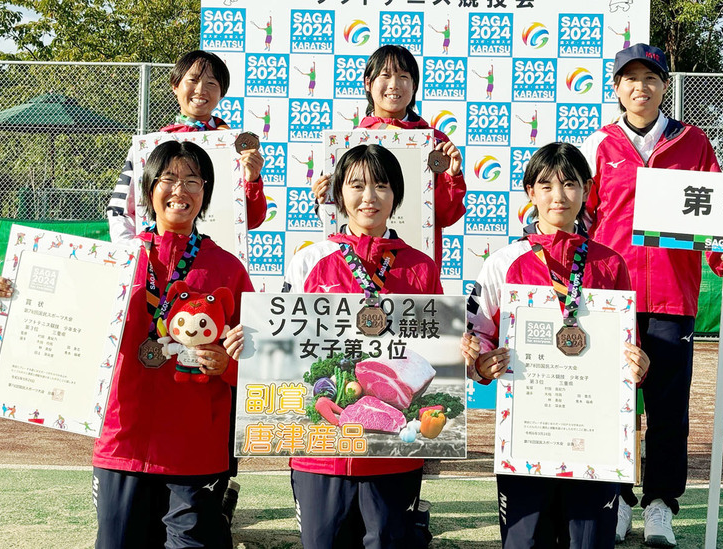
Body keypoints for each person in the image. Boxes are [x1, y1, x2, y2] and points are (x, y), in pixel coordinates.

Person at [0, 141, 254, 547]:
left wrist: (227, 364)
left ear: (205, 193)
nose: (179, 190)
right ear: (149, 188)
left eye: (192, 181)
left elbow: (256, 362)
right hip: (122, 442)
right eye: (168, 178)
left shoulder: (228, 268)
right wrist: (15, 296)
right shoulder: (112, 261)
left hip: (195, 450)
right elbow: (59, 320)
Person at [226, 144, 444, 548]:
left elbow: (432, 349)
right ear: (339, 194)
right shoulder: (310, 260)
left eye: (381, 185)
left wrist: (457, 350)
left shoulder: (420, 266)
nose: (369, 197)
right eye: (357, 185)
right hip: (319, 453)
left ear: (396, 194)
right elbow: (285, 345)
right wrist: (250, 341)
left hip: (392, 456)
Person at [579, 43, 723, 547]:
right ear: (615, 88)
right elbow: (582, 220)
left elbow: (717, 214)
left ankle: (659, 506)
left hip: (674, 297)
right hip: (611, 299)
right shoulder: (598, 146)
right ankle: (614, 501)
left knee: (669, 411)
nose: (640, 88)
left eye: (650, 78)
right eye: (629, 79)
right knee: (612, 404)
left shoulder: (693, 143)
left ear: (665, 85)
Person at [464, 142, 650, 549]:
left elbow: (627, 348)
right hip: (526, 436)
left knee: (588, 543)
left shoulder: (609, 263)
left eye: (569, 184)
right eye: (546, 185)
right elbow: (476, 336)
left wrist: (638, 365)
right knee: (525, 543)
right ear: (530, 192)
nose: (558, 196)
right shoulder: (504, 262)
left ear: (586, 190)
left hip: (594, 438)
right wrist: (479, 364)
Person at [312, 44, 466, 267]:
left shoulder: (435, 143)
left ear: (414, 85)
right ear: (368, 82)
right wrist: (322, 200)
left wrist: (453, 177)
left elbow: (446, 216)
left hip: (413, 268)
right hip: (353, 266)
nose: (394, 85)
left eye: (403, 76)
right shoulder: (347, 143)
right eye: (385, 75)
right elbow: (334, 218)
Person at [106, 49, 267, 244]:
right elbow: (120, 210)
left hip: (212, 260)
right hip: (156, 259)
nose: (201, 90)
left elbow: (252, 220)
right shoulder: (149, 147)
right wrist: (131, 253)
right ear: (175, 85)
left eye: (211, 83)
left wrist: (252, 180)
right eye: (192, 80)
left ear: (221, 93)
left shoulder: (235, 149)